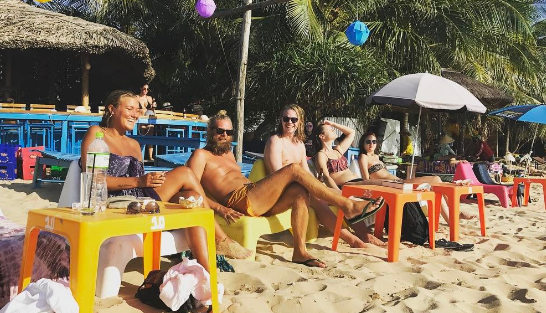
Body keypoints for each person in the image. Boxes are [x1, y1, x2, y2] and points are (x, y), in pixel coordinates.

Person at [80, 91, 252, 294]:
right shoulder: (96, 134)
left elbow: (140, 184)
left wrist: (152, 180)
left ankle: (207, 276)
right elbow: (94, 180)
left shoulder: (134, 144)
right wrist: (140, 181)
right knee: (185, 173)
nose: (135, 114)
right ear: (111, 109)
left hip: (140, 199)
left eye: (137, 110)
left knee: (194, 198)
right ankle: (220, 239)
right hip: (114, 202)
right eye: (129, 108)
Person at [188, 111, 385, 268]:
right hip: (241, 200)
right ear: (210, 131)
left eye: (228, 132)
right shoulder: (200, 155)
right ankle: (348, 206)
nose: (224, 136)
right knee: (293, 169)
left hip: (254, 195)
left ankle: (299, 251)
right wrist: (220, 208)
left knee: (300, 191)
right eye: (219, 131)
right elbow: (192, 192)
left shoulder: (228, 154)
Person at [265, 107, 385, 248]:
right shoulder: (275, 141)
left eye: (294, 119)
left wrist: (317, 185)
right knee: (320, 199)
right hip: (280, 192)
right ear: (281, 120)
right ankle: (353, 239)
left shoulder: (299, 144)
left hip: (299, 187)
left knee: (337, 195)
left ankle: (364, 234)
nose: (289, 122)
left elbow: (306, 172)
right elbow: (277, 176)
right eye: (286, 118)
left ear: (299, 122)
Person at [357, 131, 474, 222]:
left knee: (437, 186)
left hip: (398, 181)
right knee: (436, 179)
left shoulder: (377, 157)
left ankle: (452, 215)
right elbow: (366, 179)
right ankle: (454, 214)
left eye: (374, 141)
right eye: (368, 142)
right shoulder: (363, 157)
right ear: (363, 143)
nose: (371, 144)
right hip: (392, 185)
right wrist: (380, 185)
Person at [136, 83, 156, 161]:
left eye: (147, 89)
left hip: (149, 119)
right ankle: (140, 156)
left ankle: (150, 156)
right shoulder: (136, 98)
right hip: (141, 120)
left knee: (150, 136)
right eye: (144, 89)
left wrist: (153, 107)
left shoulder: (149, 98)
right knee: (142, 136)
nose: (146, 91)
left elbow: (152, 110)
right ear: (140, 88)